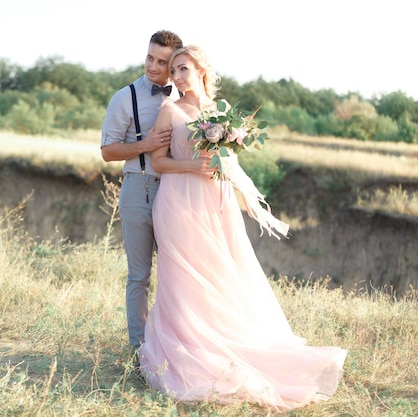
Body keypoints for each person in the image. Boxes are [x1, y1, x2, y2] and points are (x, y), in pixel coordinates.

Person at [138, 45, 347, 411]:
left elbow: (229, 161)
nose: (176, 77)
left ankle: (227, 341)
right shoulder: (168, 111)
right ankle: (189, 348)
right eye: (173, 71)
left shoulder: (221, 113)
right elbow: (158, 162)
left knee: (221, 273)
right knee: (185, 276)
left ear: (202, 69)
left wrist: (228, 171)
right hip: (178, 202)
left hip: (216, 203)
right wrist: (192, 167)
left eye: (183, 68)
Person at [100, 30, 183, 356]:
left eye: (162, 61)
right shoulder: (125, 97)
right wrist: (144, 146)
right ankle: (139, 349)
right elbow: (107, 151)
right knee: (139, 276)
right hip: (140, 187)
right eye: (150, 57)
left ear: (175, 63)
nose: (152, 66)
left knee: (178, 272)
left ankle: (174, 344)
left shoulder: (185, 95)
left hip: (178, 194)